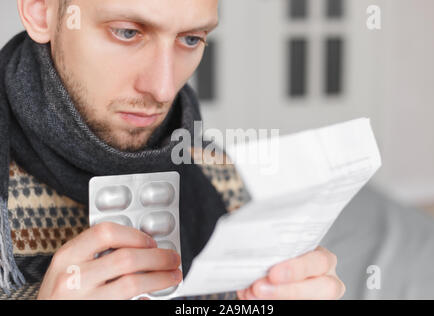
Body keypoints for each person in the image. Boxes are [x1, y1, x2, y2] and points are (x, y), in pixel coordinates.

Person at [0, 0, 345, 300]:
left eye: (191, 38)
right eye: (127, 32)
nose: (163, 89)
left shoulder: (221, 178)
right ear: (40, 11)